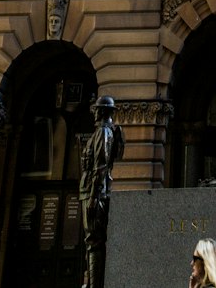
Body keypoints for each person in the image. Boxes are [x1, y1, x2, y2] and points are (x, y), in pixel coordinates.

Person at [79, 96, 125, 288]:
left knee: (93, 241)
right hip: (92, 190)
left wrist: (93, 196)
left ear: (103, 111)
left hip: (94, 191)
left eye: (97, 109)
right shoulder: (103, 131)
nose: (95, 112)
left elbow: (101, 165)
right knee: (92, 241)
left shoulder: (104, 132)